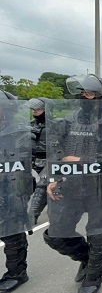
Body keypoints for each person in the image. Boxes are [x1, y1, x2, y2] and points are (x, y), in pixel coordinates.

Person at [43, 74, 102, 293]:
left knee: (98, 231)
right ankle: (87, 257)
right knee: (56, 234)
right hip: (72, 185)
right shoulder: (71, 119)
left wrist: (83, 160)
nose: (83, 96)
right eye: (82, 92)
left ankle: (93, 277)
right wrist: (54, 177)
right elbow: (58, 149)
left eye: (89, 93)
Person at [0, 90, 34, 293]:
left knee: (11, 233)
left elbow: (30, 164)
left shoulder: (21, 133)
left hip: (12, 189)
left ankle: (17, 272)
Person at [29, 97, 51, 224]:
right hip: (33, 159)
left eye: (38, 109)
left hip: (49, 159)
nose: (35, 111)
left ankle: (33, 215)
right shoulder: (30, 124)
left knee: (41, 186)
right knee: (25, 187)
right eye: (33, 109)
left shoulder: (56, 124)